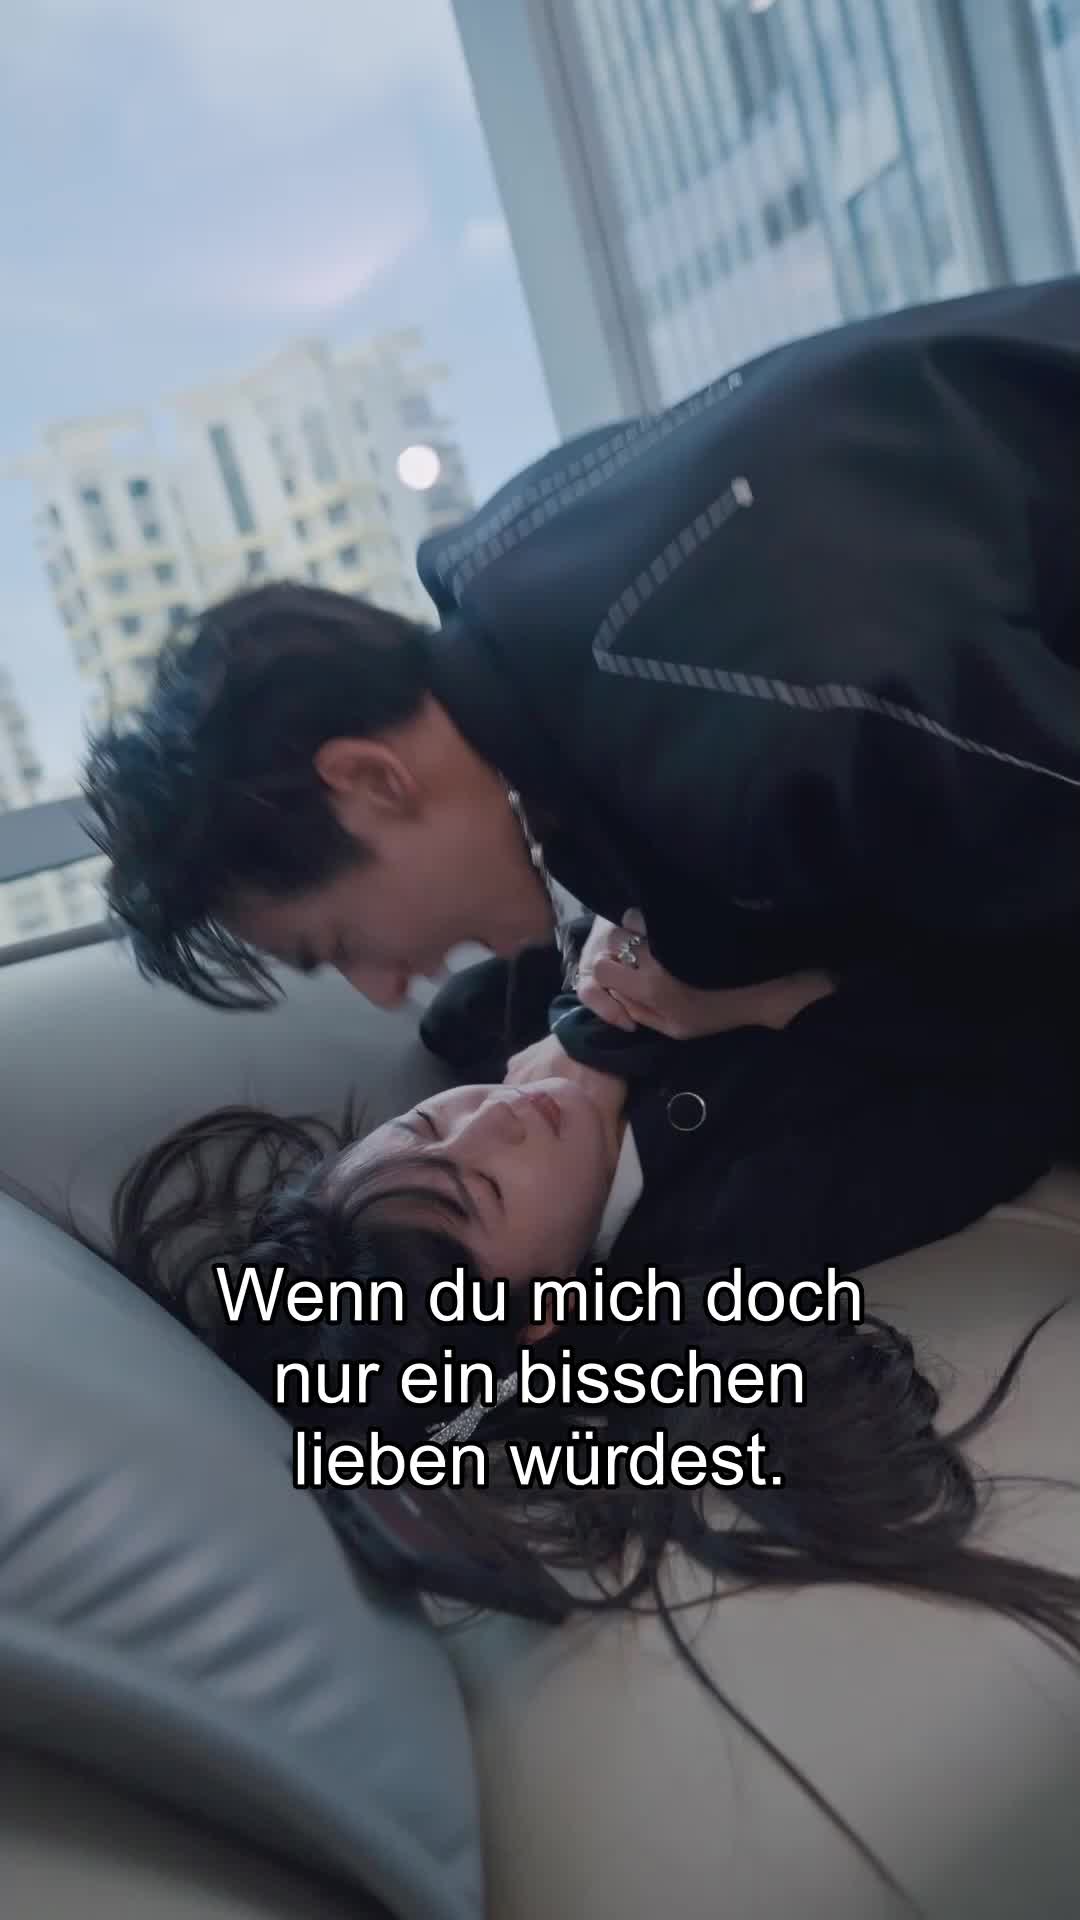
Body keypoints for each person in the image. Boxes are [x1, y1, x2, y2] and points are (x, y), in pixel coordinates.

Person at [81, 278, 1080, 1096]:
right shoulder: (512, 553)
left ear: (372, 778)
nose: (383, 988)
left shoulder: (763, 727)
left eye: (341, 943)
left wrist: (783, 1000)